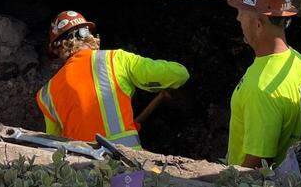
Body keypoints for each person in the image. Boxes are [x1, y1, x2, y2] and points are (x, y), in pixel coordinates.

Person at [36, 10, 190, 148]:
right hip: (126, 170)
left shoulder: (45, 94)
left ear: (57, 49)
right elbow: (180, 75)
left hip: (81, 174)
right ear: (88, 35)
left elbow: (54, 144)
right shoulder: (116, 59)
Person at [226, 0, 301, 168]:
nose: (238, 18)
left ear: (258, 24)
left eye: (242, 12)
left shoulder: (261, 90)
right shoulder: (297, 61)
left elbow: (256, 166)